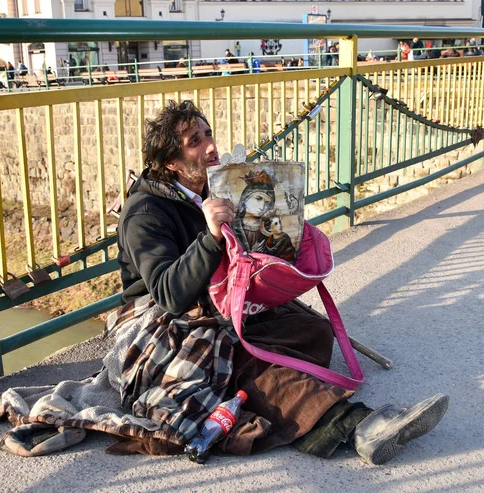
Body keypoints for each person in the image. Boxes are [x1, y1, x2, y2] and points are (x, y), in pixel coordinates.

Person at [115, 99, 449, 465]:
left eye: (208, 133)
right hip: (161, 322)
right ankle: (357, 426)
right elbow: (168, 294)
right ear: (170, 163)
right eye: (194, 140)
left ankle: (256, 391)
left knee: (315, 332)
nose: (210, 146)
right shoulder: (145, 212)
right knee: (245, 359)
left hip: (218, 302)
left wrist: (279, 230)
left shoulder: (214, 188)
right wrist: (210, 237)